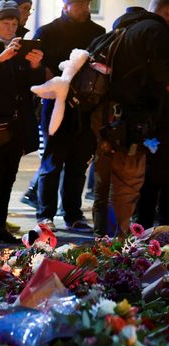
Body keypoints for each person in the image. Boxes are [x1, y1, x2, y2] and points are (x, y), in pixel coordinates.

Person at [0, 1, 46, 244]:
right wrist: (0, 59)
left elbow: (29, 85)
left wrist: (35, 65)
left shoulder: (19, 47)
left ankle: (0, 227)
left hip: (16, 126)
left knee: (8, 178)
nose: (11, 28)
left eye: (14, 23)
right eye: (6, 23)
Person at [92, 4, 169, 235]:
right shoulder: (156, 31)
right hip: (130, 119)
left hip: (105, 114)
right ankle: (119, 241)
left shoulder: (122, 29)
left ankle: (102, 237)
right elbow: (162, 76)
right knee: (127, 184)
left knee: (103, 180)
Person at [28, 0, 105, 232]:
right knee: (52, 164)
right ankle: (45, 214)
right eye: (80, 3)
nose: (86, 8)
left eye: (88, 3)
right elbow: (38, 69)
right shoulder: (48, 32)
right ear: (66, 5)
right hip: (55, 107)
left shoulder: (97, 33)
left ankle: (72, 214)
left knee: (78, 165)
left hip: (87, 109)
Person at [136, 0, 169, 228]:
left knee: (151, 176)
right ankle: (152, 227)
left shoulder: (136, 29)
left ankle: (146, 226)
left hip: (148, 118)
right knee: (157, 177)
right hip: (157, 119)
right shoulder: (157, 33)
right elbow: (161, 77)